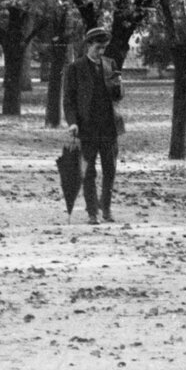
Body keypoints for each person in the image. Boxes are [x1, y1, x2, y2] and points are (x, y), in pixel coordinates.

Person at [61, 26, 123, 224]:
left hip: (108, 128)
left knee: (110, 170)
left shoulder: (110, 64)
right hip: (86, 128)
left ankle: (106, 209)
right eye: (98, 48)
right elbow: (68, 100)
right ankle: (92, 213)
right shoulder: (75, 68)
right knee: (88, 172)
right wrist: (72, 123)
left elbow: (118, 97)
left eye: (104, 48)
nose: (101, 52)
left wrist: (118, 85)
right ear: (88, 45)